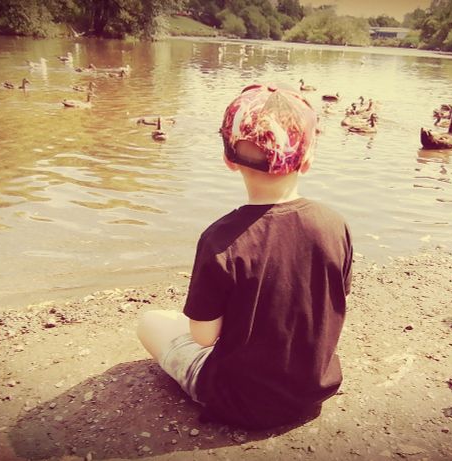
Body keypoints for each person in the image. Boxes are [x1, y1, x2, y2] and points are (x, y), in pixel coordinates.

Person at [136, 83, 353, 429]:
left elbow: (204, 337)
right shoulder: (335, 224)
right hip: (310, 394)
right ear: (308, 160)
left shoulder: (221, 239)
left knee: (150, 322)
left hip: (238, 400)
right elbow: (335, 301)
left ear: (228, 159)